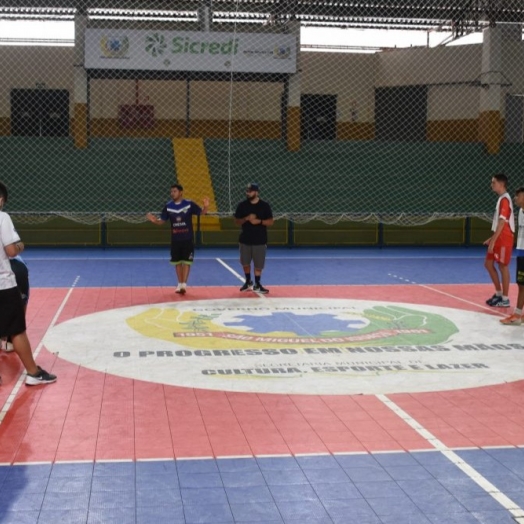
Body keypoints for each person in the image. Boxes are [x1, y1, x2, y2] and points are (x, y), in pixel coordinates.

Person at [0, 181, 57, 385]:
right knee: (16, 329)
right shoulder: (2, 217)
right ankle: (33, 373)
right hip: (2, 285)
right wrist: (20, 245)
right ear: (0, 200)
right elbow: (11, 251)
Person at [146, 184, 209, 294]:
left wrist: (206, 206)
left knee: (187, 262)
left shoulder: (189, 204)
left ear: (181, 192)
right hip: (175, 239)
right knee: (177, 262)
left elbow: (201, 213)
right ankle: (179, 284)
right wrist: (154, 221)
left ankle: (184, 284)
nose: (172, 193)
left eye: (174, 191)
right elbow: (162, 221)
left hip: (187, 238)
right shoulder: (168, 206)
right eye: (171, 191)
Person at [234, 182, 274, 294]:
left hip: (260, 239)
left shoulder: (264, 206)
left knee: (258, 264)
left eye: (250, 191)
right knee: (245, 263)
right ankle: (248, 282)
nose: (248, 193)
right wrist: (246, 218)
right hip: (245, 239)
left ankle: (257, 284)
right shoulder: (242, 205)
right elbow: (237, 221)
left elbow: (270, 221)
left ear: (256, 192)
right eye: (247, 191)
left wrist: (259, 221)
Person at [484, 173, 514, 308]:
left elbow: (503, 223)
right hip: (499, 237)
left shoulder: (505, 200)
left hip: (504, 238)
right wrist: (492, 238)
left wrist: (494, 241)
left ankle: (505, 299)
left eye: (493, 182)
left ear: (501, 184)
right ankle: (498, 293)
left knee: (503, 266)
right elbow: (500, 223)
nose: (491, 185)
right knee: (488, 264)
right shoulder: (501, 199)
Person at [501, 187, 524, 324]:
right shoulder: (521, 212)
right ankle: (519, 314)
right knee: (521, 284)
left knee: (522, 285)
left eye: (518, 196)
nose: (515, 198)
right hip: (521, 251)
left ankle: (516, 315)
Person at [1, 255, 29, 352]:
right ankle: (11, 339)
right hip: (16, 266)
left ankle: (8, 337)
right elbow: (13, 250)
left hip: (14, 266)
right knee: (21, 302)